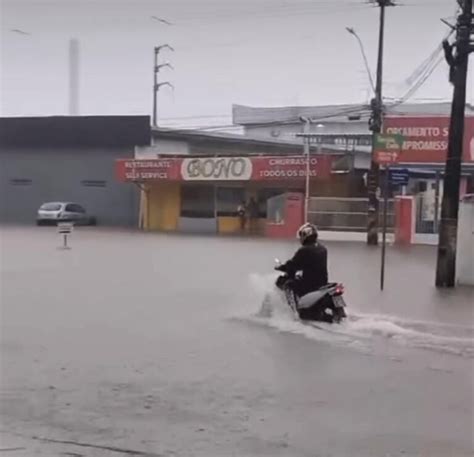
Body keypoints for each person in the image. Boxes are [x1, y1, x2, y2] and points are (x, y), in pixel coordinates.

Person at [276, 222, 328, 297]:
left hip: (309, 284)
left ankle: (293, 307)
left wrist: (283, 267)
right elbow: (309, 263)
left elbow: (294, 264)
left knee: (288, 284)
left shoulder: (304, 250)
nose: (300, 238)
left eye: (301, 235)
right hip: (322, 282)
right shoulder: (322, 248)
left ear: (306, 235)